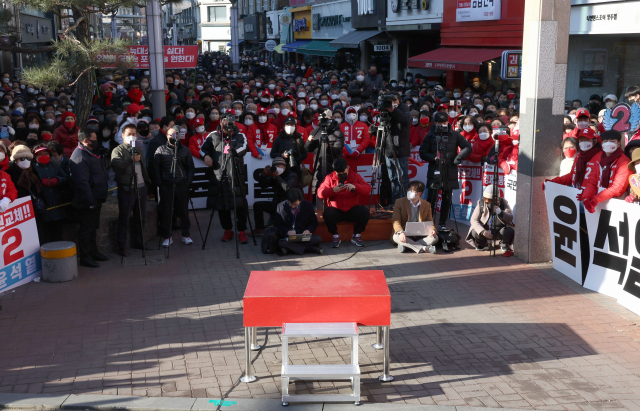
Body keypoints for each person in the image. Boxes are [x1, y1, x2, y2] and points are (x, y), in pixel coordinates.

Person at [199, 113, 250, 243]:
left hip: (236, 176)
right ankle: (227, 230)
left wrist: (234, 151)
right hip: (218, 175)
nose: (228, 123)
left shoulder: (240, 135)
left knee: (240, 206)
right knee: (222, 206)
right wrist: (205, 156)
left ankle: (242, 231)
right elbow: (202, 149)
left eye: (231, 121)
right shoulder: (212, 136)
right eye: (226, 121)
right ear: (221, 122)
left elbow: (244, 147)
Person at [419, 112, 472, 230]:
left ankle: (442, 223)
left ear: (447, 122)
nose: (442, 125)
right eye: (439, 123)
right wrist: (433, 158)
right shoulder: (430, 135)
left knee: (447, 199)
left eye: (444, 122)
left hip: (450, 170)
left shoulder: (455, 135)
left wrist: (458, 158)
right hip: (435, 169)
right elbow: (422, 152)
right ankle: (429, 223)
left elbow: (468, 147)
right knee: (431, 199)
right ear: (435, 123)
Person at [70, 128, 110, 268]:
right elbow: (82, 182)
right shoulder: (80, 156)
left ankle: (94, 252)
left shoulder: (90, 153)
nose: (96, 140)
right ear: (86, 140)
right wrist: (90, 201)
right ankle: (86, 257)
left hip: (96, 198)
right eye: (94, 138)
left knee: (93, 227)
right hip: (87, 201)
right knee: (86, 229)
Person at [111, 123, 152, 256]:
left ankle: (139, 242)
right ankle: (121, 246)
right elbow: (117, 167)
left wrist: (147, 182)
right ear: (122, 135)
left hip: (141, 187)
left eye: (134, 134)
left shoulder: (139, 149)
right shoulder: (118, 150)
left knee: (141, 217)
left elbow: (144, 167)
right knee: (125, 218)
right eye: (129, 134)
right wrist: (130, 160)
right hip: (127, 188)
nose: (132, 137)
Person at [154, 125, 195, 247]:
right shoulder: (160, 150)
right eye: (171, 135)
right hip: (167, 185)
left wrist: (188, 182)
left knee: (183, 211)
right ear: (167, 136)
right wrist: (160, 183)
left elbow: (190, 168)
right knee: (167, 212)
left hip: (182, 185)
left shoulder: (185, 150)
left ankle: (186, 235)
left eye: (176, 134)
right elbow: (155, 169)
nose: (173, 137)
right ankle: (167, 236)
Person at [318, 158, 372, 248]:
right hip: (336, 210)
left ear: (347, 168)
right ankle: (335, 235)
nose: (342, 176)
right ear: (335, 171)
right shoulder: (329, 178)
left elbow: (368, 189)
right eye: (339, 174)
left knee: (365, 212)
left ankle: (356, 234)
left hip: (352, 209)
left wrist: (355, 187)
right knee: (327, 213)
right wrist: (333, 190)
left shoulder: (355, 176)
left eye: (344, 173)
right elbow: (320, 193)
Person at [580, 130, 631, 213]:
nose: (608, 143)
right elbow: (592, 181)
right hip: (600, 201)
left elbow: (618, 188)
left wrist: (596, 199)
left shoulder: (624, 162)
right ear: (602, 144)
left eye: (612, 141)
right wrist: (586, 197)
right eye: (605, 141)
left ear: (618, 144)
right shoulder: (599, 159)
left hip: (617, 202)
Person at [254, 157, 299, 234]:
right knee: (257, 205)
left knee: (278, 228)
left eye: (280, 166)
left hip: (291, 206)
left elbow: (287, 188)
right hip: (277, 204)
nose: (278, 168)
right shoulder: (274, 176)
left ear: (284, 167)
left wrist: (277, 176)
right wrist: (263, 175)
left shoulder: (292, 175)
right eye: (276, 166)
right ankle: (259, 229)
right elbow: (263, 186)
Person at [32, 146, 68, 244]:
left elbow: (65, 178)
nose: (44, 156)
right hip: (43, 205)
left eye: (46, 153)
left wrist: (58, 179)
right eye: (40, 154)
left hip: (57, 203)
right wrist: (39, 182)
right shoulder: (33, 168)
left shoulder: (55, 165)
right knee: (45, 233)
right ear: (35, 156)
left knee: (57, 232)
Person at [305, 109, 344, 197]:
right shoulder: (315, 132)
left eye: (327, 118)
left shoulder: (337, 133)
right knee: (319, 192)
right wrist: (309, 142)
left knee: (333, 193)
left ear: (331, 118)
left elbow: (338, 150)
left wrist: (328, 148)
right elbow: (307, 149)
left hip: (332, 167)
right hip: (318, 167)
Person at [392, 181, 438, 254]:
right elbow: (395, 220)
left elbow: (429, 220)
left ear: (419, 193)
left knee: (435, 238)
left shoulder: (427, 205)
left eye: (412, 190)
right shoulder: (399, 202)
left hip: (420, 234)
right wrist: (400, 232)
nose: (409, 192)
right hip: (405, 233)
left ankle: (407, 245)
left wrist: (433, 230)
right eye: (409, 190)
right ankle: (424, 248)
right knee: (395, 237)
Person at [466, 184, 515, 253]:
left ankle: (504, 243)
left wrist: (501, 212)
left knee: (508, 230)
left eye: (490, 200)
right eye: (486, 199)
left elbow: (510, 217)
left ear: (497, 199)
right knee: (474, 231)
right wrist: (483, 231)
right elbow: (473, 219)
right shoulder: (481, 203)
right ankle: (483, 244)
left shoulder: (503, 203)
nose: (487, 202)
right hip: (486, 230)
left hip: (499, 231)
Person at [273, 188, 323, 256]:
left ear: (300, 200)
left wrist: (308, 230)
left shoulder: (308, 205)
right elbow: (277, 225)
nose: (293, 206)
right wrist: (287, 231)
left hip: (302, 235)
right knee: (281, 242)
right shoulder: (280, 206)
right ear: (287, 200)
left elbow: (313, 222)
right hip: (288, 237)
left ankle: (289, 249)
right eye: (291, 204)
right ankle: (309, 249)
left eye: (296, 204)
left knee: (318, 238)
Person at [383, 93, 412, 203]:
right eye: (390, 101)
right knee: (393, 179)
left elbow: (406, 121)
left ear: (399, 100)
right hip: (388, 150)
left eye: (394, 100)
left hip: (401, 149)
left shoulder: (404, 108)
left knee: (403, 179)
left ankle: (404, 202)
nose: (392, 103)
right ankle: (395, 202)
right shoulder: (385, 110)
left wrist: (393, 110)